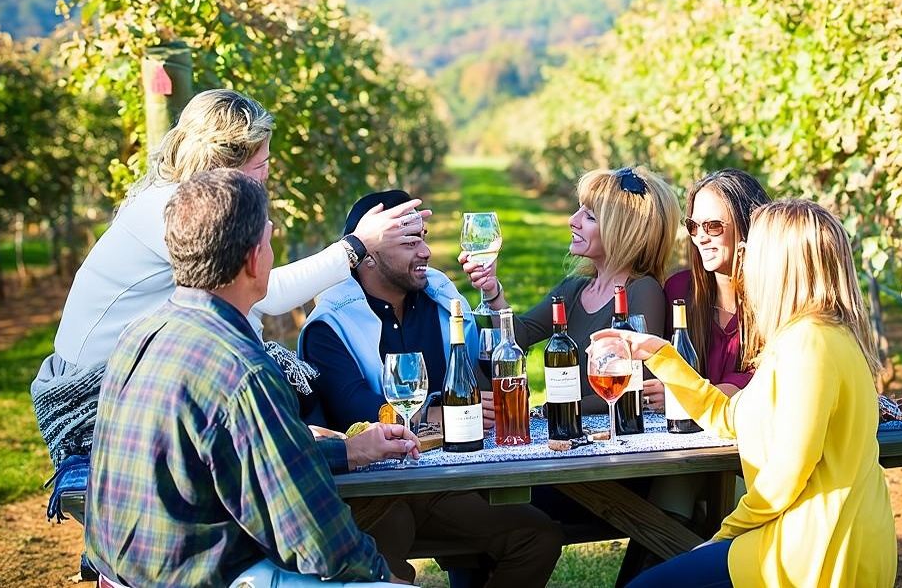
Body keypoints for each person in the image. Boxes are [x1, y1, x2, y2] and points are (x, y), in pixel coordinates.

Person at [31, 89, 426, 467]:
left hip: (146, 366)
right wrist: (357, 246)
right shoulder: (172, 210)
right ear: (223, 164)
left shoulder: (183, 198)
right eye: (261, 166)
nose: (267, 176)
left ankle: (337, 467)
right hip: (97, 391)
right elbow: (264, 293)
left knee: (290, 384)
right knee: (273, 387)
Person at [85, 168, 409, 587]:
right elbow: (315, 538)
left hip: (125, 574)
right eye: (270, 241)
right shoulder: (243, 370)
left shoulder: (140, 336)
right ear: (255, 260)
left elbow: (241, 462)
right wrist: (383, 575)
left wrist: (348, 451)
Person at [596, 199, 897, 588]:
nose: (745, 262)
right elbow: (730, 418)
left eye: (752, 251)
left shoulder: (808, 344)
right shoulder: (812, 335)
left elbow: (785, 478)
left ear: (781, 265)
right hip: (822, 539)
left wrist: (722, 536)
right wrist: (660, 355)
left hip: (812, 554)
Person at [300, 189, 564, 588]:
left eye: (423, 236)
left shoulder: (438, 295)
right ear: (366, 254)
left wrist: (492, 295)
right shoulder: (330, 323)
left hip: (444, 480)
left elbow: (489, 362)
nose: (425, 250)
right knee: (390, 567)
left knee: (537, 537)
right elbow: (354, 406)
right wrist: (440, 413)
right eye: (411, 241)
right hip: (374, 490)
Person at [459, 166, 680, 414]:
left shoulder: (643, 291)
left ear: (623, 232)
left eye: (590, 217)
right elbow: (518, 338)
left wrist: (551, 409)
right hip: (575, 432)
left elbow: (637, 388)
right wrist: (492, 292)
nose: (572, 220)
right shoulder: (575, 289)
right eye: (579, 210)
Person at [645, 168, 770, 412]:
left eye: (713, 226)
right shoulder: (679, 292)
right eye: (694, 226)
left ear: (748, 225)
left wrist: (688, 394)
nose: (701, 237)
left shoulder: (776, 298)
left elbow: (770, 379)